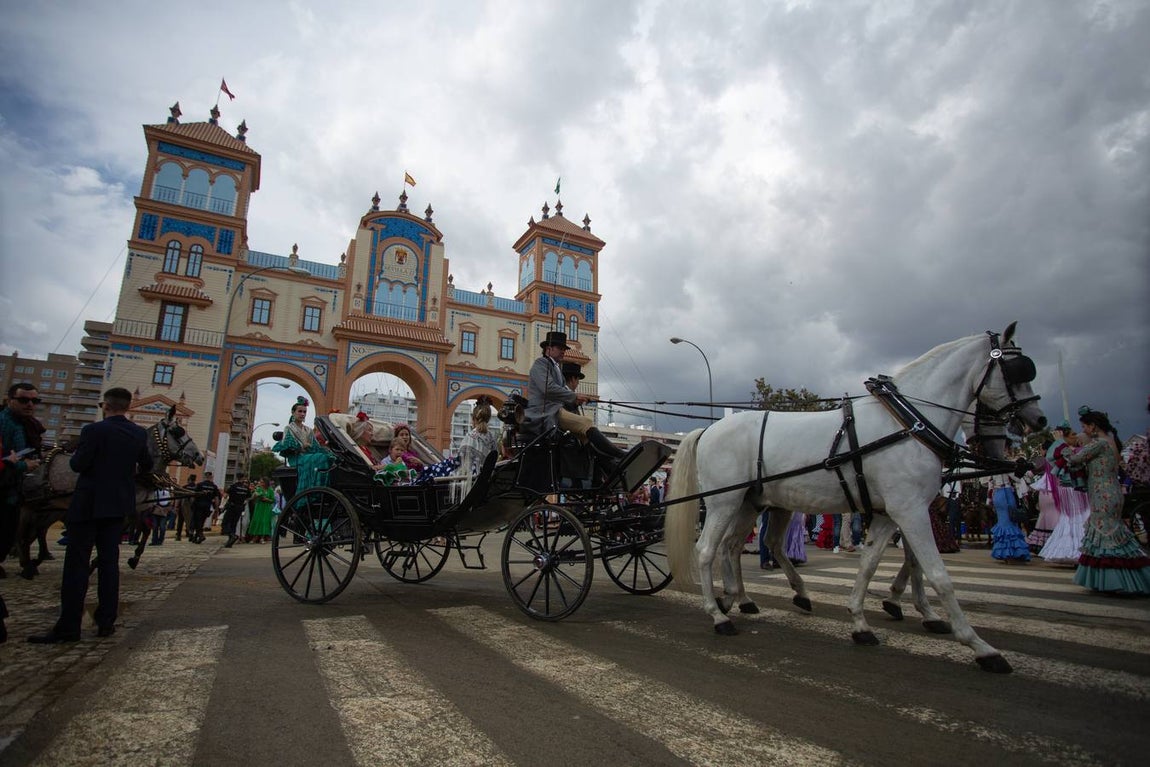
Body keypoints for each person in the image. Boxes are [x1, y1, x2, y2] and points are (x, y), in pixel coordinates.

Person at [28, 387, 150, 643]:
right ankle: (106, 622)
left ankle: (69, 626)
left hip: (88, 503)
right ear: (128, 407)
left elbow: (78, 464)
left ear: (106, 405)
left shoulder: (93, 430)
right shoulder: (139, 433)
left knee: (77, 564)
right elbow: (147, 465)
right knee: (109, 564)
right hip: (117, 506)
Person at [1067, 408, 1150, 594]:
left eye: (1084, 427)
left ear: (1093, 426)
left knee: (1105, 535)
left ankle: (1114, 581)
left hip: (1102, 493)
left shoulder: (1099, 443)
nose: (1083, 430)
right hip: (1112, 491)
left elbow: (1074, 459)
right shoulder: (1111, 441)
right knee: (1114, 533)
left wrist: (1064, 445)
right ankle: (1125, 578)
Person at [523, 331, 626, 464]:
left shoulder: (556, 368)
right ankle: (620, 454)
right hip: (544, 412)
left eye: (564, 349)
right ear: (548, 348)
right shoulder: (541, 363)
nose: (563, 351)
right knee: (586, 423)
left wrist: (575, 401)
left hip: (554, 410)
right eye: (560, 348)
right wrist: (574, 396)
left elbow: (560, 395)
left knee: (584, 436)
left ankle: (609, 463)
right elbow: (548, 388)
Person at [0, 383, 44, 579]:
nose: (30, 404)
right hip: (4, 484)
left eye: (34, 401)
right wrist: (22, 465)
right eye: (24, 400)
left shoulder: (27, 424)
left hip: (14, 487)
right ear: (10, 400)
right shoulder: (4, 422)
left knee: (9, 530)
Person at [273, 396, 334, 492]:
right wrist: (302, 446)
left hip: (308, 456)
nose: (302, 414)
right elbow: (288, 445)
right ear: (293, 412)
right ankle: (313, 489)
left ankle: (322, 487)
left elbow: (316, 447)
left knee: (328, 457)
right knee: (320, 457)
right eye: (300, 411)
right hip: (296, 458)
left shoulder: (308, 430)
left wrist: (328, 450)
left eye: (304, 412)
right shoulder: (289, 428)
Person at [988, 472, 1030, 564]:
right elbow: (1018, 479)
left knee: (1004, 522)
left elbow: (988, 483)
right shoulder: (1006, 467)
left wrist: (989, 499)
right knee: (1010, 522)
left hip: (997, 493)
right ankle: (1012, 553)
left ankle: (1005, 553)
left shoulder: (991, 468)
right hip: (1006, 493)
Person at [189, 472, 221, 544]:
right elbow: (216, 498)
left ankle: (200, 535)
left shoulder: (200, 484)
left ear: (205, 477)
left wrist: (191, 504)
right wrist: (216, 508)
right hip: (207, 506)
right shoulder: (214, 486)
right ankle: (196, 537)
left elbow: (193, 495)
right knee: (202, 521)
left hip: (198, 505)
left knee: (197, 521)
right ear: (211, 477)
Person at [221, 475, 252, 548]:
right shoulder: (246, 488)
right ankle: (230, 541)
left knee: (225, 523)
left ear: (237, 478)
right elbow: (249, 497)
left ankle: (232, 535)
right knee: (234, 524)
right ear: (243, 479)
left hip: (232, 506)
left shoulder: (233, 486)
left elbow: (225, 496)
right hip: (240, 507)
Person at [247, 477, 275, 543]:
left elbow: (273, 500)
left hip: (266, 508)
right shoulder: (258, 489)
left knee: (264, 521)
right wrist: (255, 495)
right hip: (259, 507)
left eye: (262, 482)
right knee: (257, 520)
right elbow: (253, 498)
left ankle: (262, 537)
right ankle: (255, 537)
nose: (261, 483)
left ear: (266, 483)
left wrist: (266, 499)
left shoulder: (270, 490)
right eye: (260, 482)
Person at [175, 474, 196, 541]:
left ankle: (178, 535)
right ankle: (190, 533)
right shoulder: (197, 487)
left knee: (180, 521)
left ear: (189, 480)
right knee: (190, 521)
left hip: (183, 506)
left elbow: (179, 498)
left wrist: (176, 506)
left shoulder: (184, 487)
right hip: (193, 507)